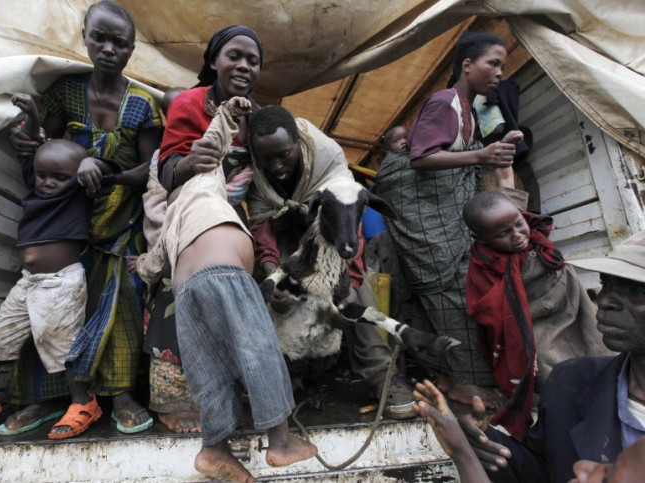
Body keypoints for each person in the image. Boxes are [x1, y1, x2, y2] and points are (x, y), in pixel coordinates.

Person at [137, 95, 317, 483]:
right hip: (225, 277)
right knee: (259, 350)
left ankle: (213, 449)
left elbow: (152, 266)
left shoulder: (171, 219)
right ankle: (281, 442)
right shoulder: (203, 179)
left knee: (208, 370)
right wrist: (227, 113)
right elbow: (216, 140)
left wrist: (140, 269)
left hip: (188, 292)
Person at [6, 0, 160, 436]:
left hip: (121, 224)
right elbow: (45, 151)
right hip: (65, 223)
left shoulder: (143, 104)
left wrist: (103, 167)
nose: (109, 48)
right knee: (52, 306)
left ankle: (120, 394)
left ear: (132, 50)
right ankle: (49, 397)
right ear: (86, 39)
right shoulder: (65, 91)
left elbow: (149, 171)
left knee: (122, 305)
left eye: (120, 42)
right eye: (100, 38)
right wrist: (29, 140)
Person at [0, 91, 122, 442]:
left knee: (63, 346)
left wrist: (94, 164)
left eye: (57, 177)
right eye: (42, 175)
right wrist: (33, 115)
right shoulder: (38, 185)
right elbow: (33, 148)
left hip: (61, 283)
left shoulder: (75, 191)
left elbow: (110, 172)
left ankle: (84, 403)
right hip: (29, 282)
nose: (47, 182)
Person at [374, 32, 524, 409]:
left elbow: (484, 151)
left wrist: (497, 150)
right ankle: (465, 384)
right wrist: (481, 157)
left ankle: (447, 375)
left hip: (443, 213)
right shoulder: (444, 103)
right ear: (467, 65)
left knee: (441, 301)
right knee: (453, 296)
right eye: (493, 63)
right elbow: (419, 159)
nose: (499, 72)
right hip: (424, 218)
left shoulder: (474, 108)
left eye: (502, 66)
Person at [247, 105, 417, 419]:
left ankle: (382, 374)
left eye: (283, 154)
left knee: (355, 293)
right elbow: (261, 227)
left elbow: (349, 226)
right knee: (265, 290)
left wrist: (349, 281)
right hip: (284, 235)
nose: (276, 166)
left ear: (298, 143)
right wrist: (273, 275)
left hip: (331, 235)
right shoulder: (256, 171)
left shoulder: (330, 158)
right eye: (266, 159)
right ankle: (279, 378)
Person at [142, 25, 263, 434]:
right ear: (214, 61)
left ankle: (224, 396)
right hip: (191, 214)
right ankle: (174, 401)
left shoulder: (256, 116)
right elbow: (167, 171)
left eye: (253, 60)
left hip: (234, 220)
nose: (244, 65)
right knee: (178, 300)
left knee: (234, 309)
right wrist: (192, 163)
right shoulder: (191, 103)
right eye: (235, 56)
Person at [459, 230, 645, 482]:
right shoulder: (573, 382)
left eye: (634, 291)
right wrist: (483, 439)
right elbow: (542, 469)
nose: (604, 300)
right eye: (605, 285)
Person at [462, 189, 611, 439]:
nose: (517, 235)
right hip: (529, 320)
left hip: (571, 304)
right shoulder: (485, 264)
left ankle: (611, 399)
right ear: (482, 239)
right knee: (547, 369)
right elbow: (484, 306)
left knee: (598, 346)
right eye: (503, 234)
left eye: (518, 224)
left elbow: (510, 188)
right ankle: (575, 417)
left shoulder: (534, 231)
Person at [414, 381, 645, 483]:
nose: (581, 466)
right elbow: (538, 469)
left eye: (607, 476)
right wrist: (479, 439)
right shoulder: (577, 378)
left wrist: (462, 453)